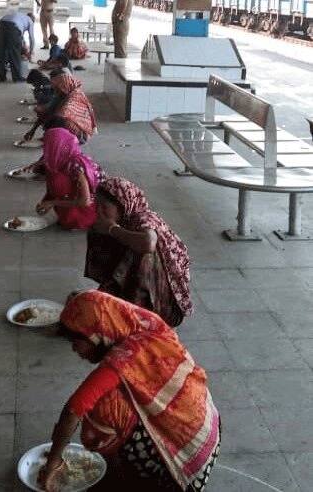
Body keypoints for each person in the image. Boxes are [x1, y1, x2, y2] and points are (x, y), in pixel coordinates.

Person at [38, 290, 221, 492]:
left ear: (97, 330)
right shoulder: (144, 325)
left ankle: (139, 478)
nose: (75, 349)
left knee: (104, 411)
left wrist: (52, 463)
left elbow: (74, 409)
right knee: (115, 401)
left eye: (76, 341)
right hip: (206, 430)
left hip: (187, 460)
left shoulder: (127, 356)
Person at [85, 177, 193, 327]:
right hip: (140, 287)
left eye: (104, 207)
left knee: (141, 252)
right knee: (98, 232)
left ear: (123, 205)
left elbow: (148, 244)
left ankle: (137, 313)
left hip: (163, 305)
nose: (99, 211)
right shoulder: (124, 219)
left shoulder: (143, 218)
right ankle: (113, 293)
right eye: (97, 206)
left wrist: (112, 229)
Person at [36, 126, 103, 230]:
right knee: (53, 176)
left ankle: (76, 219)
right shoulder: (60, 160)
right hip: (72, 208)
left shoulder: (76, 165)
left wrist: (52, 203)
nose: (46, 148)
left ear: (57, 146)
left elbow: (85, 201)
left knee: (57, 179)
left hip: (87, 213)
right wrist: (45, 201)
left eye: (49, 145)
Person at [0, 12, 35, 83]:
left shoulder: (20, 17)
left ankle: (2, 77)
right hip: (13, 27)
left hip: (1, 24)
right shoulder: (30, 21)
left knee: (1, 52)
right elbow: (31, 38)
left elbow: (21, 38)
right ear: (33, 20)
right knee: (14, 53)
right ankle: (17, 78)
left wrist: (24, 46)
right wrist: (31, 52)